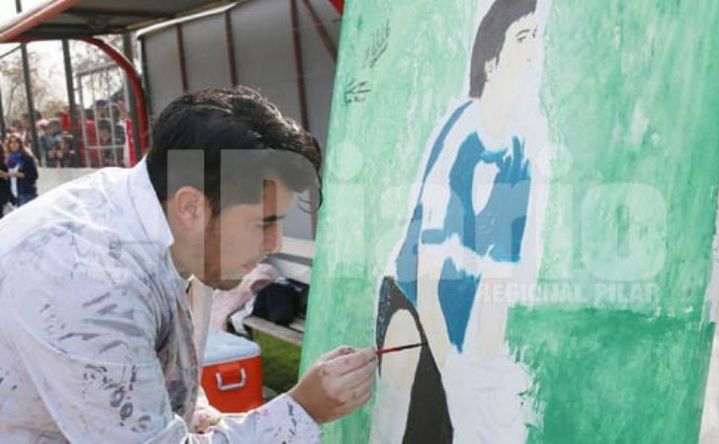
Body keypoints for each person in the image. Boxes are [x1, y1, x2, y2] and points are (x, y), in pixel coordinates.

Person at [0, 86, 376, 442]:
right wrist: (301, 411)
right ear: (191, 207)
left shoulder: (156, 221)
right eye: (263, 222)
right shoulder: (92, 286)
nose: (273, 243)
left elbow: (156, 383)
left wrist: (202, 416)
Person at [372, 0, 545, 442]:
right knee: (414, 422)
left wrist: (483, 373)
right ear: (491, 59)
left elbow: (496, 284)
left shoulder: (519, 155)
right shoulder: (461, 137)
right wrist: (455, 377)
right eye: (522, 38)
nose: (533, 50)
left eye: (536, 37)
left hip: (455, 320)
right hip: (411, 303)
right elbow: (428, 280)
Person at [3, 133, 38, 206]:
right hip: (15, 196)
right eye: (11, 142)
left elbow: (34, 175)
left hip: (26, 194)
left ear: (20, 144)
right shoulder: (8, 160)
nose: (13, 144)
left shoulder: (27, 157)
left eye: (16, 142)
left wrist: (13, 174)